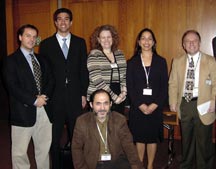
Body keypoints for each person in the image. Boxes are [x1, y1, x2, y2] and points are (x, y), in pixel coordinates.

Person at [39, 8, 88, 169]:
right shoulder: (46, 44)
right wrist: (45, 96)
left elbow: (83, 70)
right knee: (54, 136)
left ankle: (77, 165)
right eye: (59, 19)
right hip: (55, 98)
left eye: (66, 19)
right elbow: (44, 74)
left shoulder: (80, 42)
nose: (63, 22)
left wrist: (83, 94)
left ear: (71, 22)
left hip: (75, 97)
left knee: (77, 135)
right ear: (55, 22)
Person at [3, 24, 54, 169]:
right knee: (19, 153)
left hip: (44, 110)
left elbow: (51, 80)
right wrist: (33, 100)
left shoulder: (42, 59)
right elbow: (12, 86)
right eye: (27, 35)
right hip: (22, 111)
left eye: (34, 36)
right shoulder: (11, 60)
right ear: (20, 37)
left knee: (44, 149)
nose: (31, 39)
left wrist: (44, 97)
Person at [169, 30, 216, 169]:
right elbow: (173, 83)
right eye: (188, 41)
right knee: (187, 139)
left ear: (200, 43)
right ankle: (186, 165)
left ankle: (205, 165)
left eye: (194, 40)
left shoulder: (211, 61)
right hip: (185, 104)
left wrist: (214, 101)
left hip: (205, 104)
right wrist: (173, 101)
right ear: (183, 45)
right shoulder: (177, 61)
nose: (191, 43)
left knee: (204, 141)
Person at [126, 28, 168, 169]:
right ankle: (139, 165)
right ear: (138, 42)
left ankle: (150, 166)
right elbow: (130, 87)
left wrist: (155, 105)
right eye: (143, 38)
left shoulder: (161, 61)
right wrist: (141, 105)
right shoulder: (132, 62)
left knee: (152, 138)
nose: (146, 41)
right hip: (138, 108)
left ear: (154, 42)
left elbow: (164, 87)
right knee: (139, 138)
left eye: (150, 38)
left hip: (155, 107)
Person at [72, 89, 143, 169]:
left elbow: (129, 146)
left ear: (110, 104)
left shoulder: (119, 120)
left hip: (116, 162)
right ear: (91, 105)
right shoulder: (82, 121)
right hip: (93, 164)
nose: (102, 108)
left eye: (106, 103)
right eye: (98, 104)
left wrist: (136, 166)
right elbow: (76, 149)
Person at [87, 24, 127, 114]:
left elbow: (124, 76)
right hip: (100, 98)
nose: (106, 40)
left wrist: (123, 93)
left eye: (109, 37)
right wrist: (113, 97)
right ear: (98, 39)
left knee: (117, 125)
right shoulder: (94, 55)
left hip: (119, 96)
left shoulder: (119, 54)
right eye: (103, 37)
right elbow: (97, 80)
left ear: (113, 38)